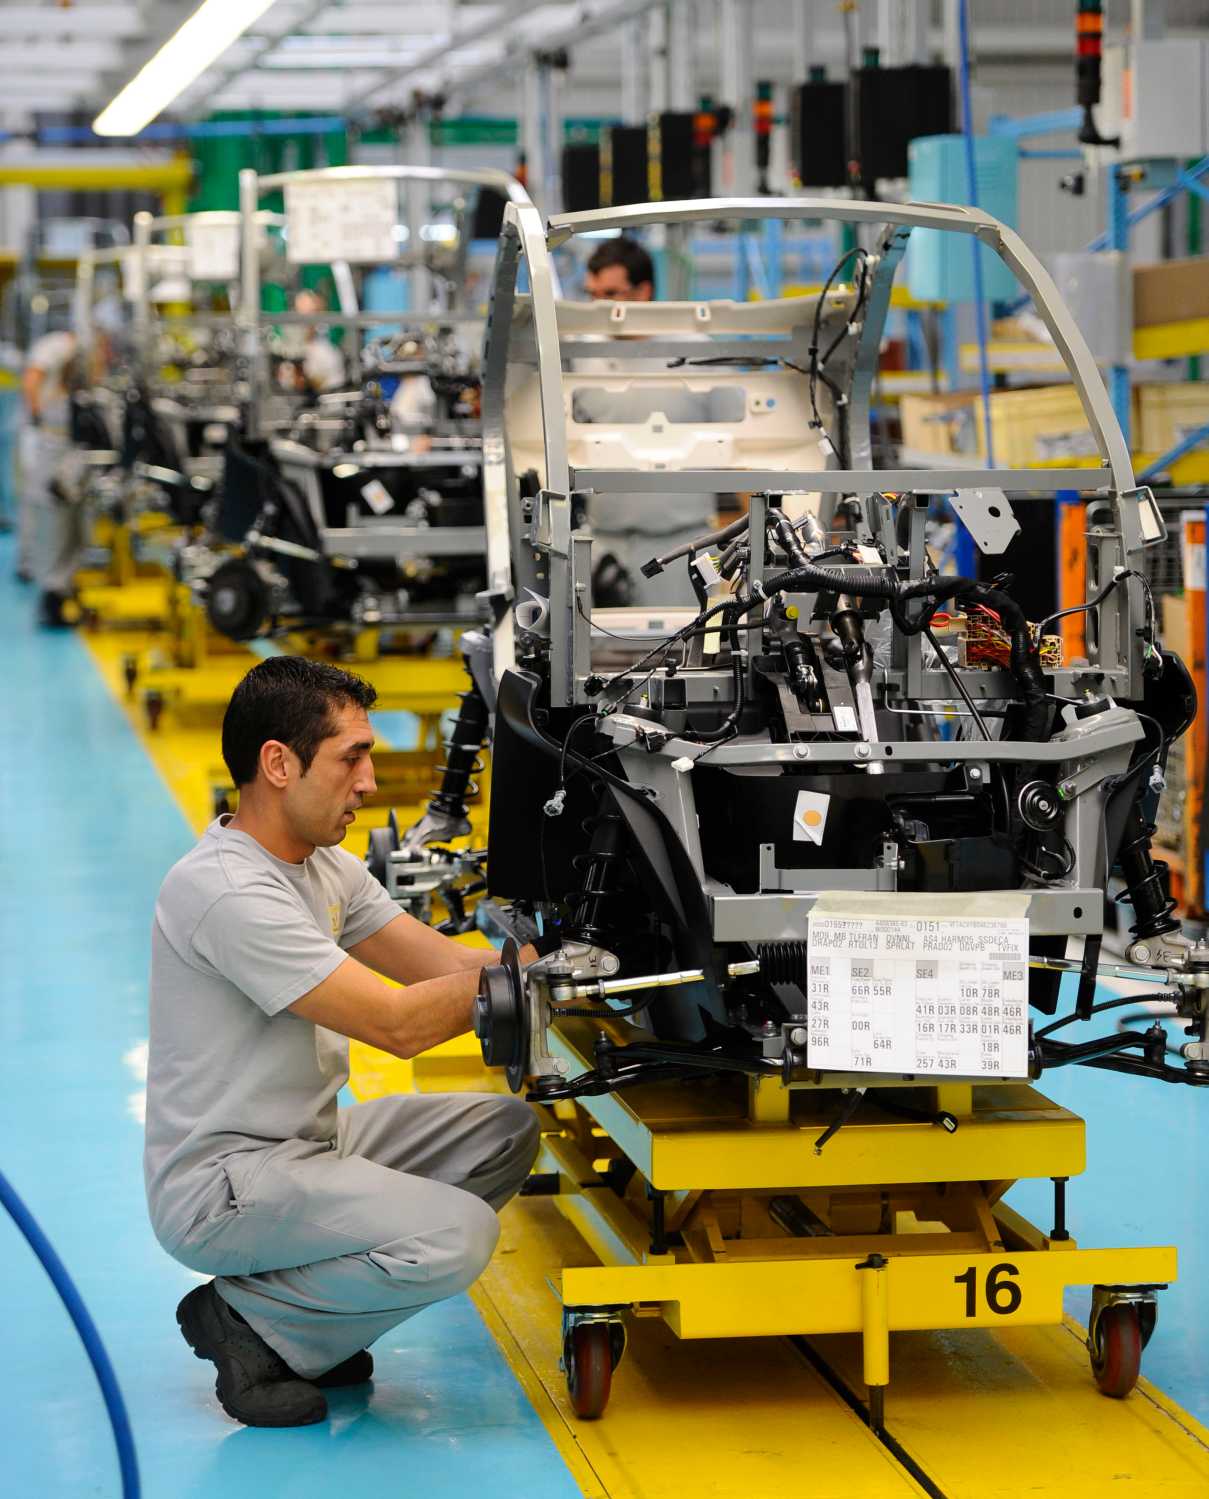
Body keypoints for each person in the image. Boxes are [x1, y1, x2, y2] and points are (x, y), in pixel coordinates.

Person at [146, 656, 540, 1428]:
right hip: (226, 1179)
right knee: (459, 1233)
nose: (368, 781)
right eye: (352, 756)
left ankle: (311, 1329)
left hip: (308, 1141)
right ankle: (251, 1321)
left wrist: (554, 959)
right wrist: (539, 972)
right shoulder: (227, 890)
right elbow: (397, 1023)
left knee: (502, 1132)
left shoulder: (324, 864)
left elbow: (449, 966)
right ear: (278, 763)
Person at [577, 236, 714, 607]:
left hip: (681, 544)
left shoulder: (696, 351)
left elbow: (755, 445)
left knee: (687, 656)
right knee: (598, 657)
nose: (597, 307)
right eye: (591, 294)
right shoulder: (579, 356)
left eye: (610, 294)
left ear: (643, 292)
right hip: (603, 541)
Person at [19, 327, 86, 623]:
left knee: (64, 526)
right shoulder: (61, 347)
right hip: (52, 451)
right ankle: (50, 592)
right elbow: (31, 379)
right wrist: (37, 415)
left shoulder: (65, 361)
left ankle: (55, 588)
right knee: (53, 524)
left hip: (57, 450)